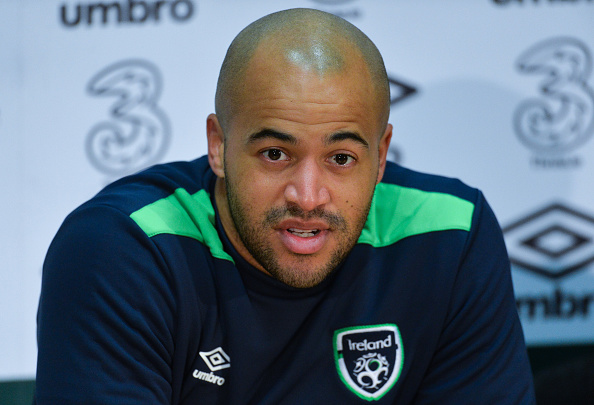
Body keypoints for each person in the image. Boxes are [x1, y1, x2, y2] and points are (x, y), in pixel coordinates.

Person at [35, 8, 536, 404]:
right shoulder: (124, 248)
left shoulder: (449, 234)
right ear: (219, 146)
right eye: (275, 154)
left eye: (341, 158)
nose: (308, 196)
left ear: (381, 156)